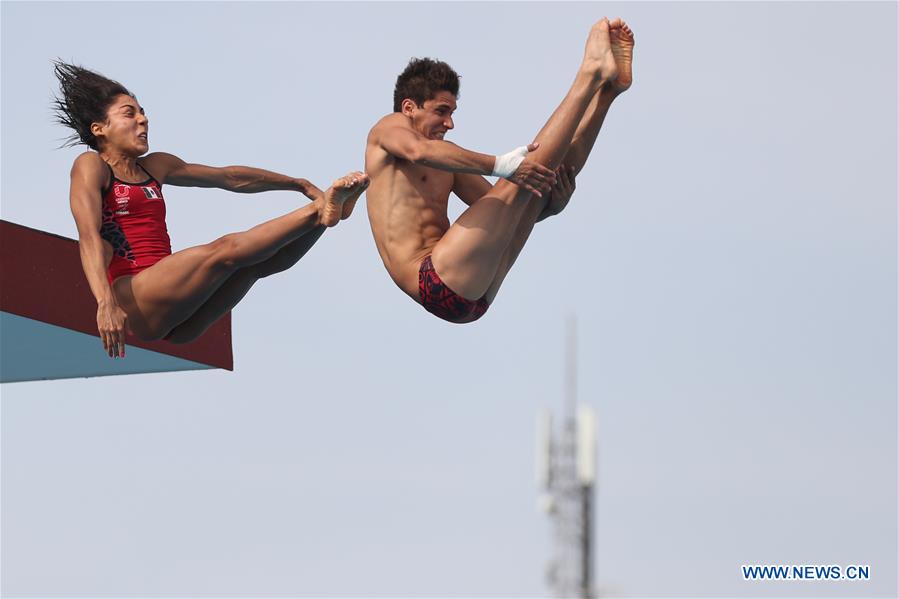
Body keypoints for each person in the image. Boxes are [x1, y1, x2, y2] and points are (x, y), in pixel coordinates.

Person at [54, 62, 369, 357]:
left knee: (253, 267)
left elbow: (228, 177)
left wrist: (296, 183)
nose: (143, 119)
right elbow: (89, 236)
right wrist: (104, 303)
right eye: (129, 114)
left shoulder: (156, 166)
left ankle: (325, 214)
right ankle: (321, 209)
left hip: (179, 315)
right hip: (133, 298)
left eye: (143, 112)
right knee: (225, 250)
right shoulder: (91, 166)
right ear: (100, 129)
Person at [365, 17, 634, 323]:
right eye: (441, 111)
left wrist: (551, 207)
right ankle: (589, 75)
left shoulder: (449, 161)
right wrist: (500, 165)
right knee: (520, 179)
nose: (449, 124)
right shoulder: (387, 130)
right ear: (409, 107)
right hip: (432, 279)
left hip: (475, 289)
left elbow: (503, 210)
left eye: (452, 113)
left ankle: (607, 92)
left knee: (534, 186)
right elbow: (419, 151)